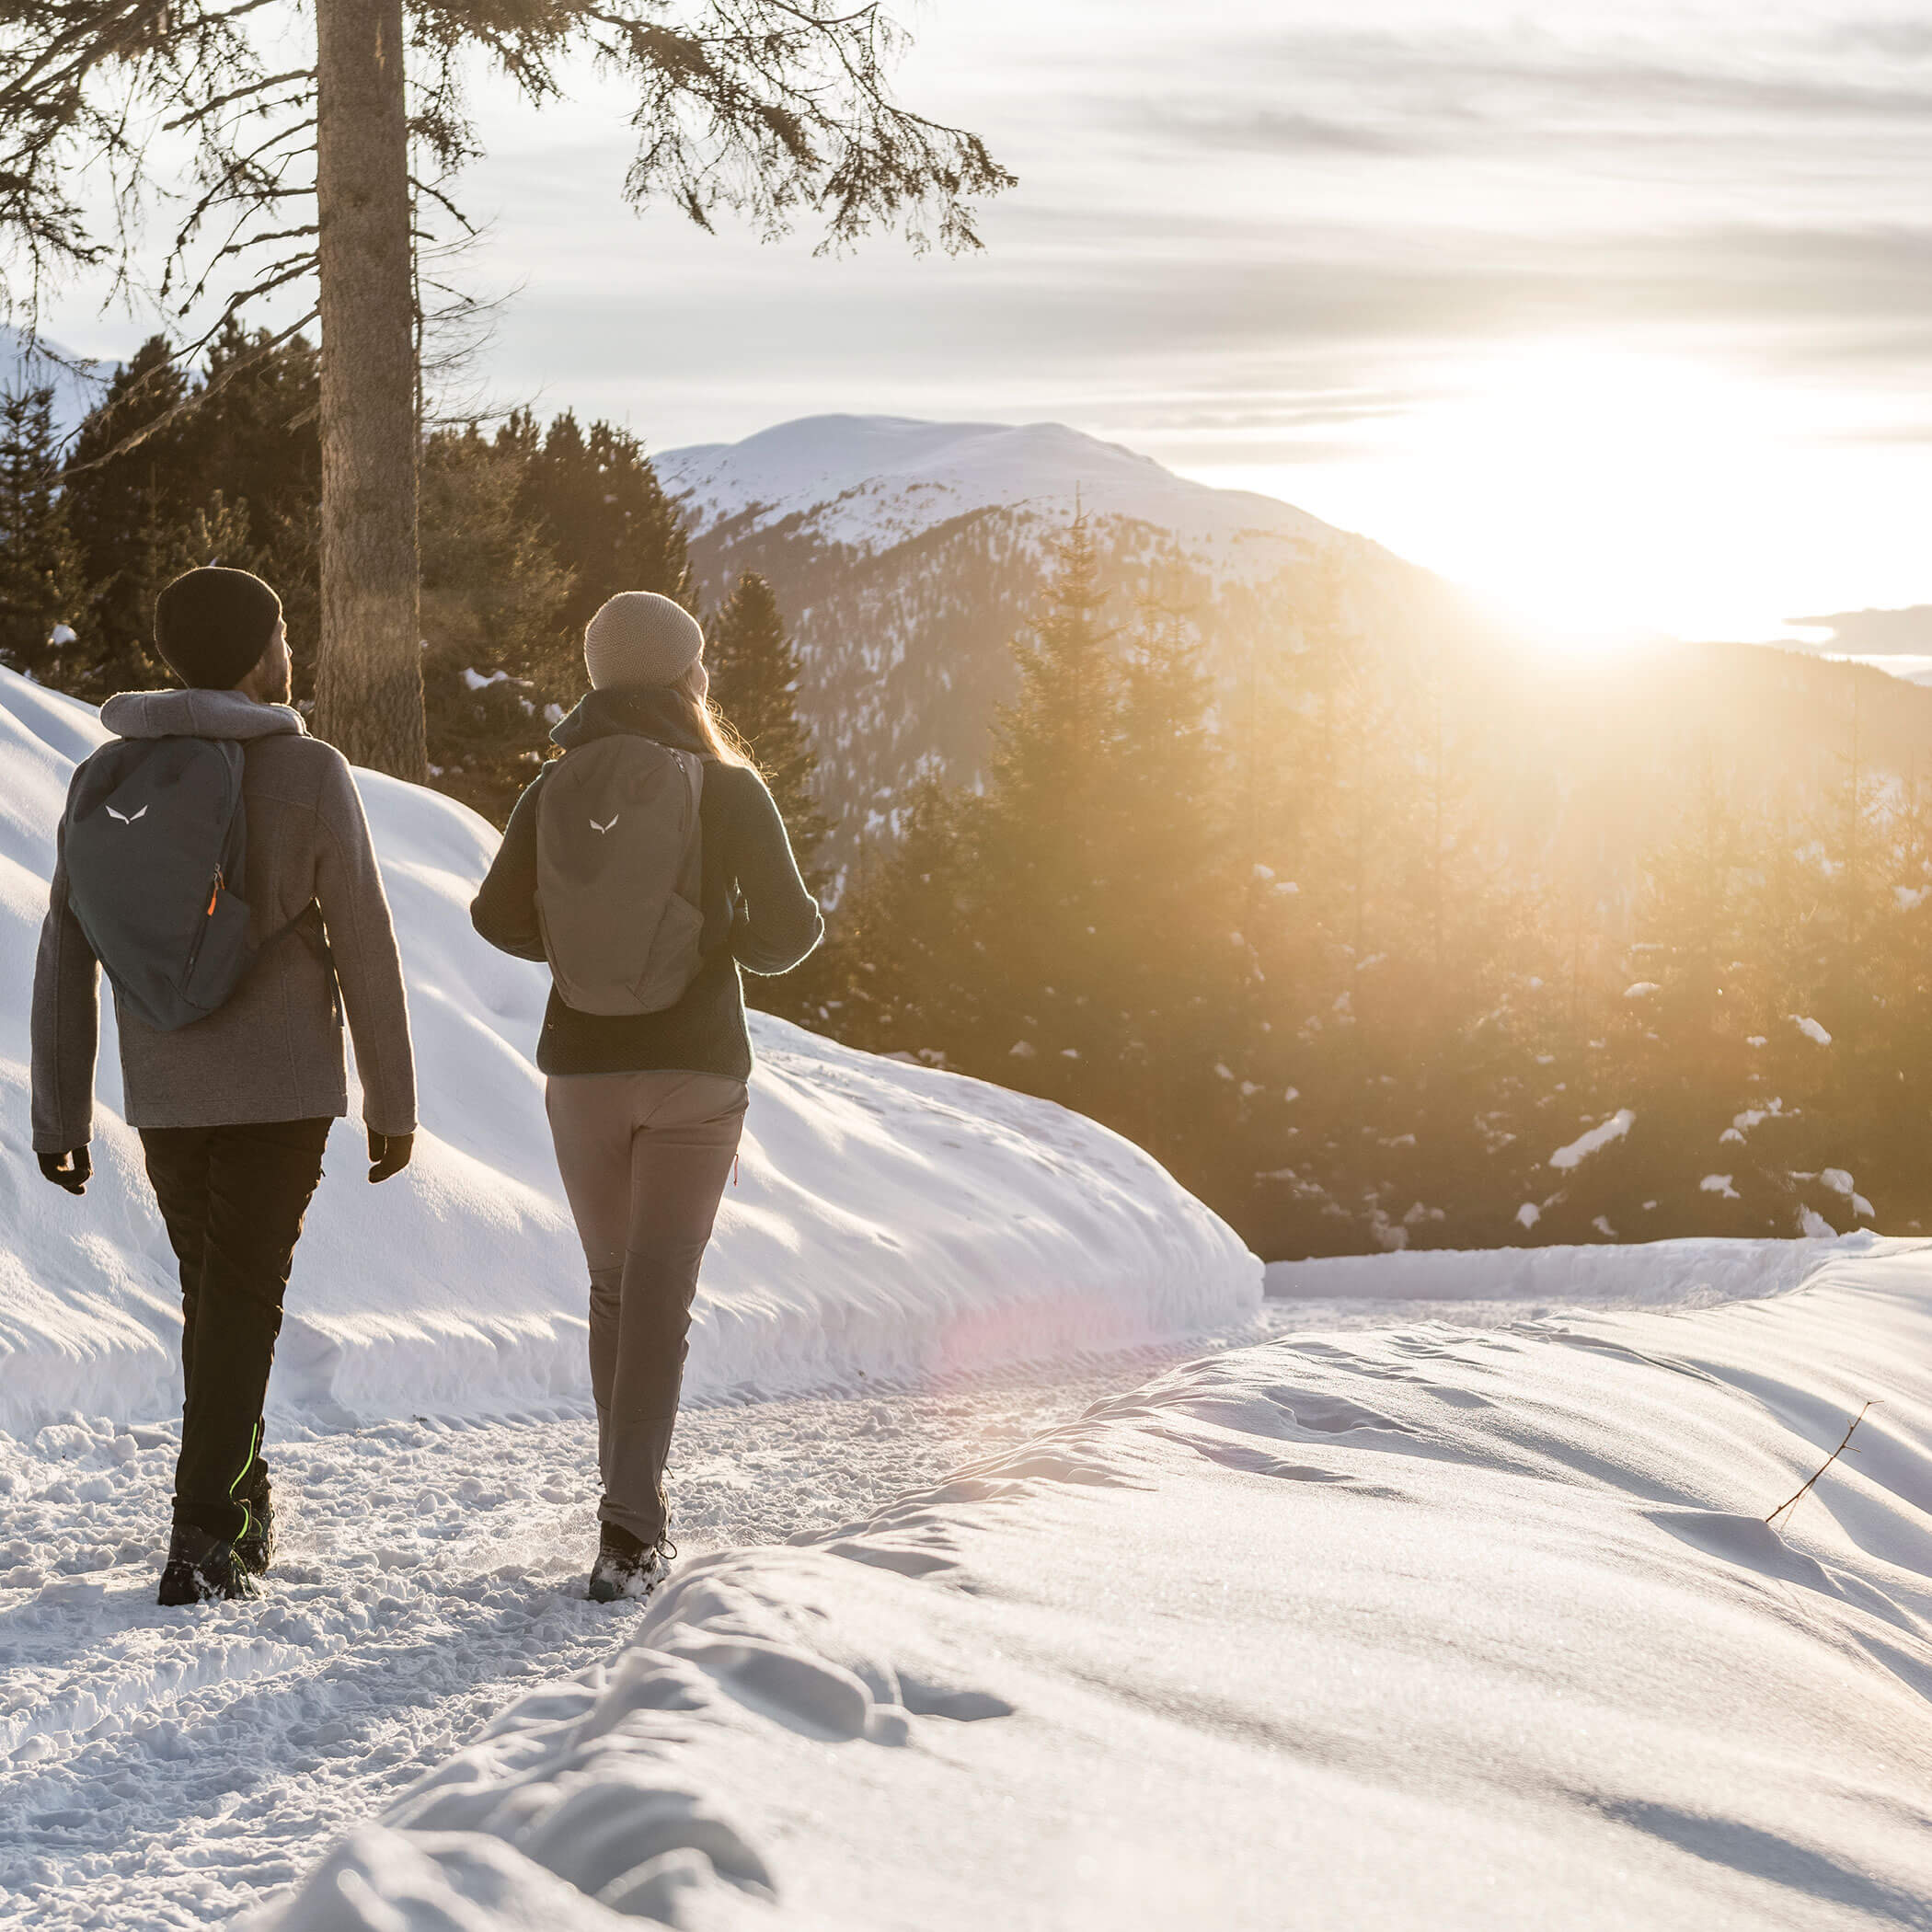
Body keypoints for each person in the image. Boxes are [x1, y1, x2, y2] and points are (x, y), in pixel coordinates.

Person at [30, 567, 418, 1605]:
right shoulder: (309, 772)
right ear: (260, 652)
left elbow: (65, 950)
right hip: (283, 1088)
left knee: (218, 1298)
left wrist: (60, 1114)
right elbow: (368, 947)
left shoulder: (107, 777)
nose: (290, 647)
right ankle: (204, 1526)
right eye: (284, 629)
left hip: (163, 1088)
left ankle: (240, 1508)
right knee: (240, 1300)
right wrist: (393, 1103)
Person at [472, 591, 822, 1603]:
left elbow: (497, 916)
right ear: (686, 674)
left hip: (580, 1071)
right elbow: (793, 933)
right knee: (660, 1294)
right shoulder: (726, 788)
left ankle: (625, 1509)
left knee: (615, 1288)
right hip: (697, 1068)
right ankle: (629, 1531)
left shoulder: (551, 786)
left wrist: (581, 949)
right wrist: (718, 946)